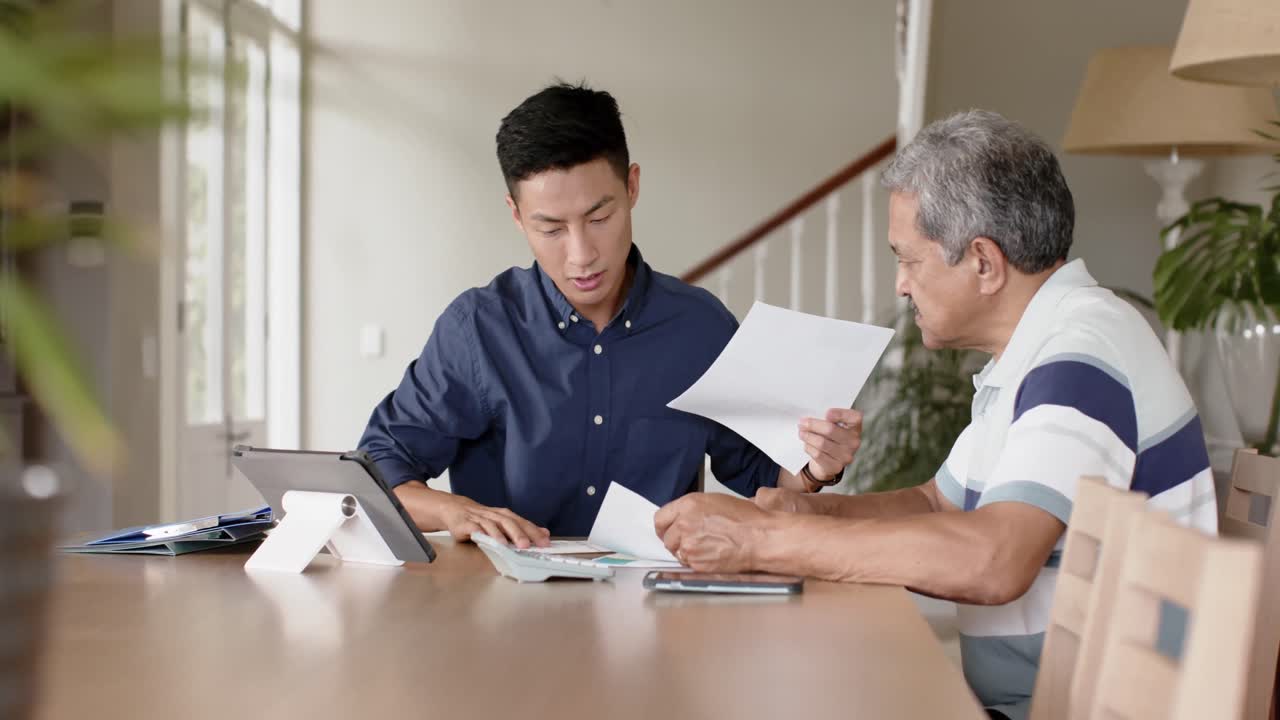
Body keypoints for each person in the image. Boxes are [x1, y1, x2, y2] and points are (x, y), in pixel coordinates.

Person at [654, 109, 1218, 720]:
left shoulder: (1081, 354)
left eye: (909, 260)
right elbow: (937, 504)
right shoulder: (1035, 352)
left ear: (983, 262)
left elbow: (995, 560)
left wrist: (764, 540)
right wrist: (805, 509)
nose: (900, 285)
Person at [358, 82, 861, 549]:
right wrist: (455, 511)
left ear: (632, 186)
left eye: (599, 217)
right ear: (516, 214)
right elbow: (379, 469)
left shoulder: (700, 328)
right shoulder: (478, 329)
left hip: (655, 600)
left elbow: (763, 474)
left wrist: (816, 466)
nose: (582, 255)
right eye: (551, 229)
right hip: (506, 597)